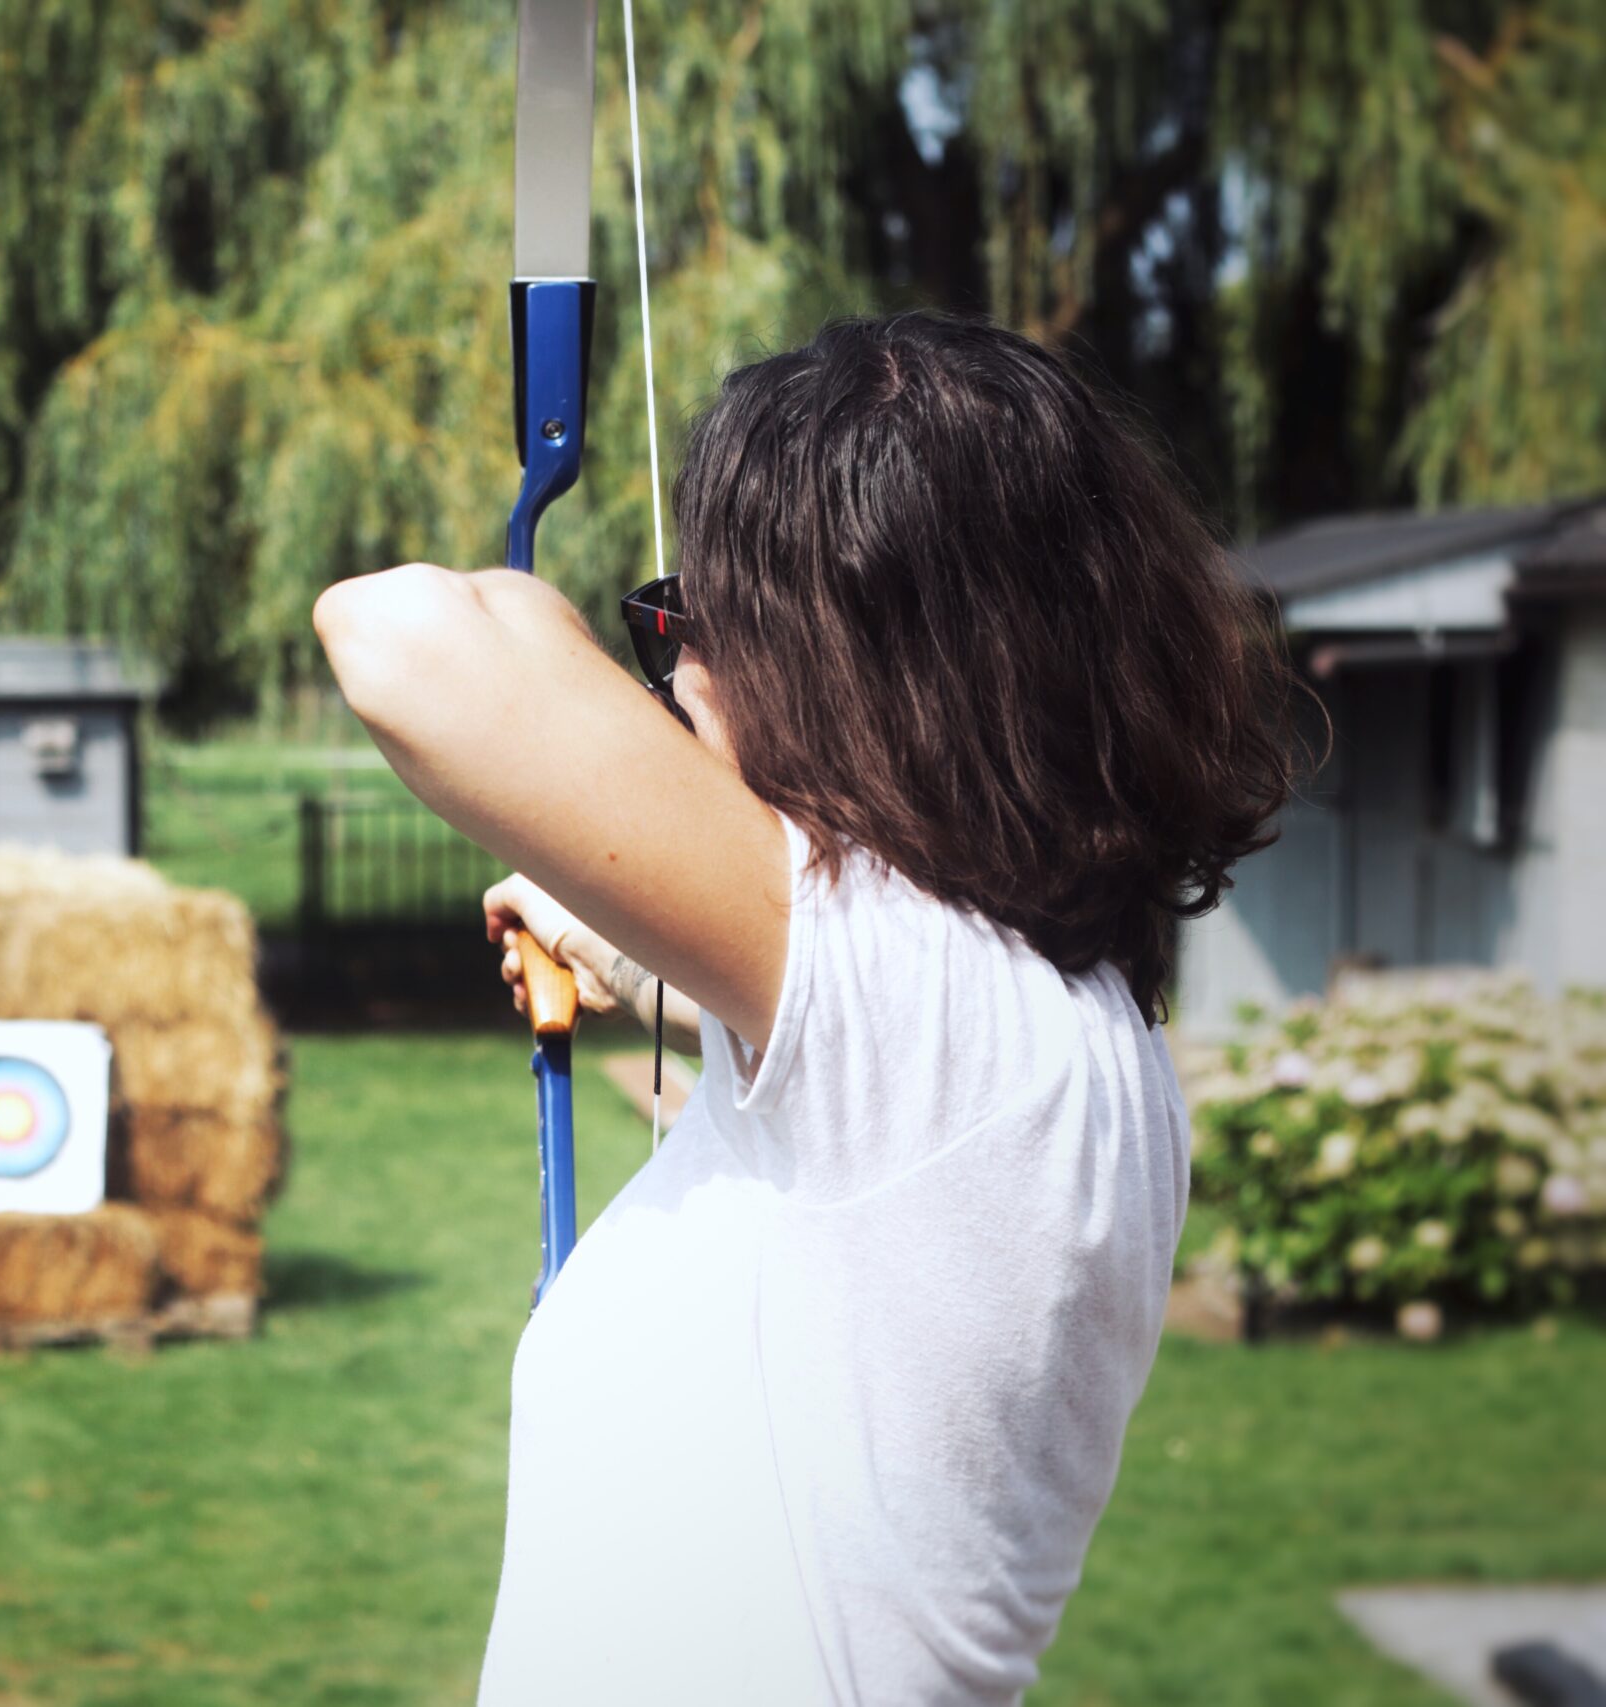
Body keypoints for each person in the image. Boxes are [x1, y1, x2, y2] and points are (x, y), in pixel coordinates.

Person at [312, 313, 1296, 1704]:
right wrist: (638, 940)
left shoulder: (932, 1008)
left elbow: (409, 632)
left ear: (849, 667)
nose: (683, 673)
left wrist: (610, 721)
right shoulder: (1033, 1026)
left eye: (691, 627)